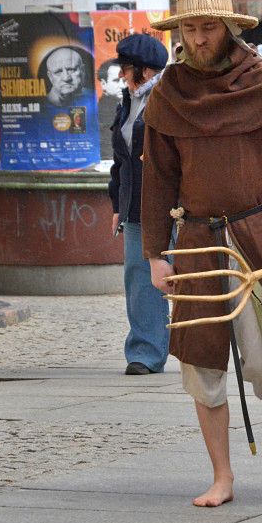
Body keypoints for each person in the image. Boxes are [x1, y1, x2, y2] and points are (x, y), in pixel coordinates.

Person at [142, 0, 262, 506]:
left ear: (227, 28)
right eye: (190, 28)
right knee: (201, 365)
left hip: (258, 234)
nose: (198, 39)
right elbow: (157, 182)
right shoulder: (169, 94)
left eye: (208, 28)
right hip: (196, 242)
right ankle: (223, 475)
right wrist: (154, 253)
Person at [108, 34, 170, 375]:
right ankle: (146, 352)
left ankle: (206, 347)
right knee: (139, 277)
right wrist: (117, 201)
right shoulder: (128, 100)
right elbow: (122, 159)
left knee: (191, 275)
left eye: (126, 68)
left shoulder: (170, 98)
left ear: (145, 71)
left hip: (174, 206)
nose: (121, 75)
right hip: (136, 207)